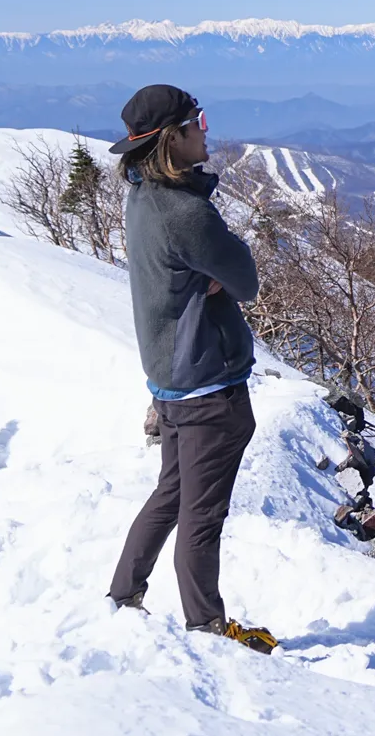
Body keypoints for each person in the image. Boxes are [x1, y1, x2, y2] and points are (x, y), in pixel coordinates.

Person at [104, 84, 275, 652]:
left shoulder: (141, 196)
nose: (207, 129)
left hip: (173, 382)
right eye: (198, 121)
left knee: (171, 495)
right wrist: (222, 271)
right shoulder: (184, 213)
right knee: (201, 516)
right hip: (209, 389)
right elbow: (247, 279)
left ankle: (123, 594)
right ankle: (206, 628)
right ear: (170, 138)